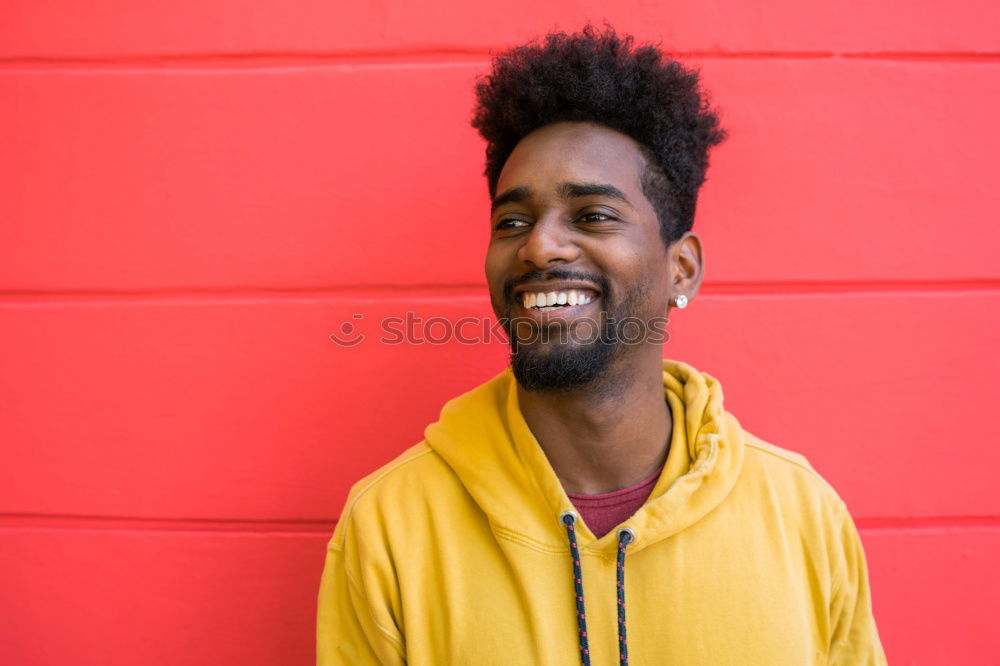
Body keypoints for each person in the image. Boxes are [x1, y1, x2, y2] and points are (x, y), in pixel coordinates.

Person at [317, 25, 886, 665]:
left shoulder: (802, 515)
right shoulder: (391, 524)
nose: (539, 246)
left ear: (683, 268)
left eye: (592, 214)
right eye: (513, 221)